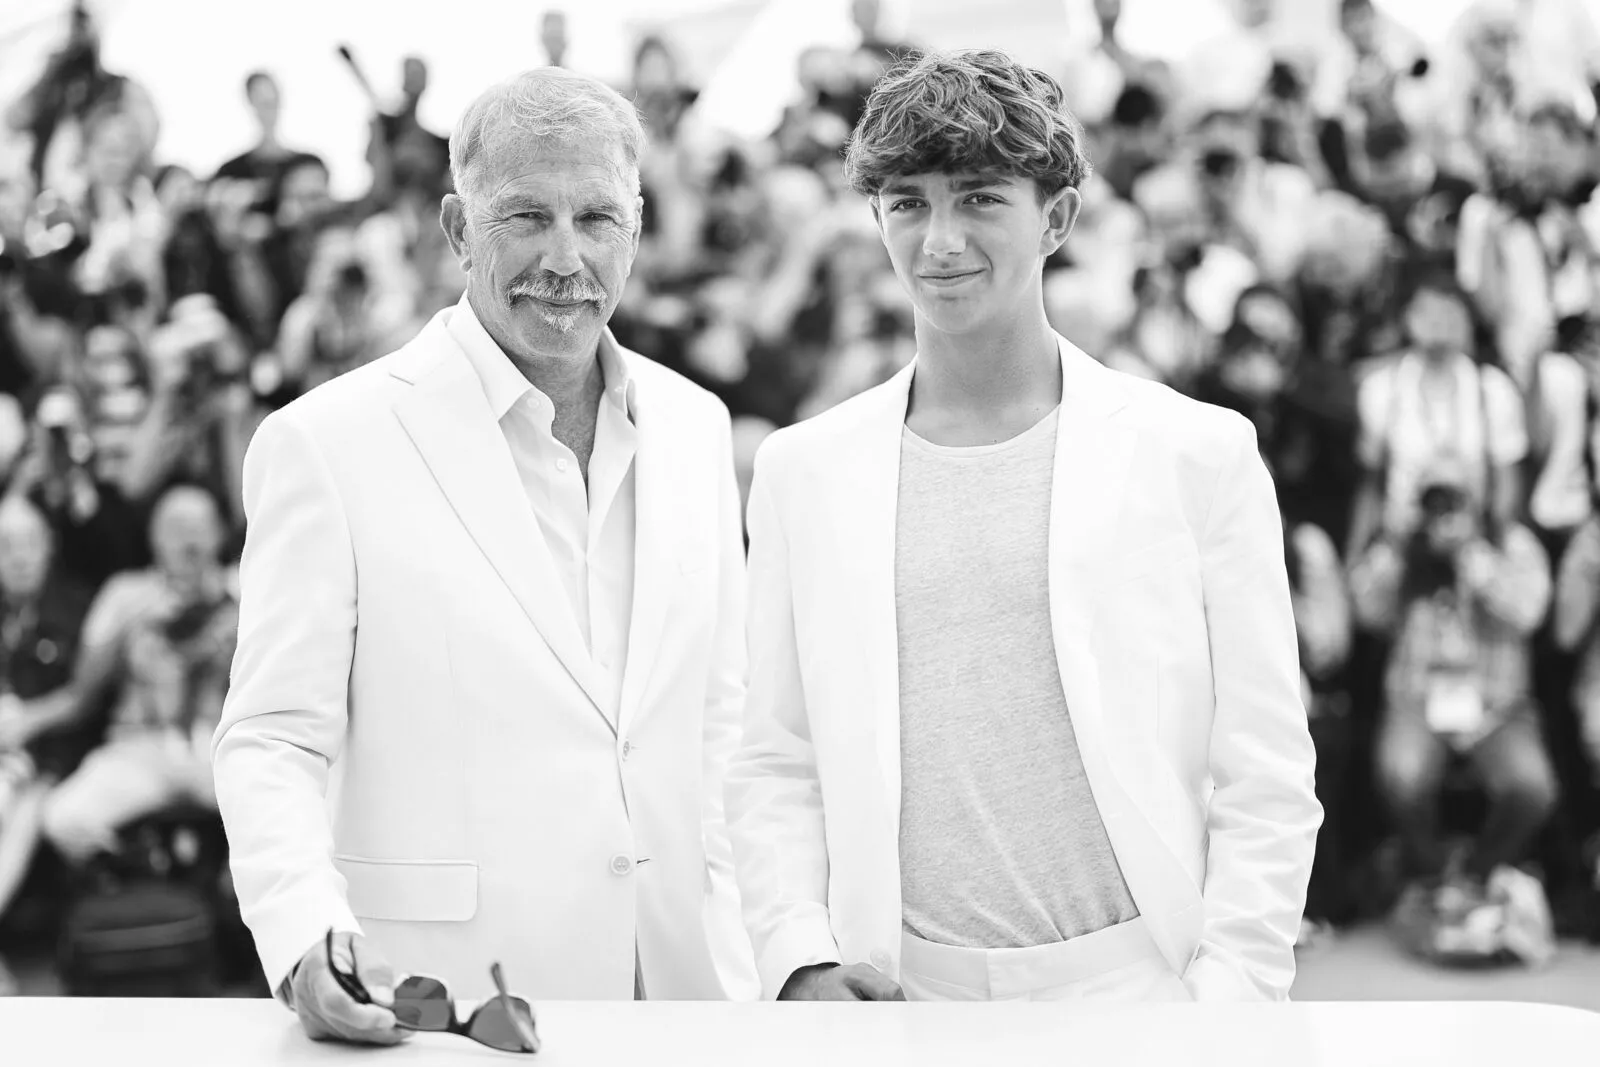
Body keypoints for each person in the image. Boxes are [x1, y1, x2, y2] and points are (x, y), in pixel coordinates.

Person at [724, 49, 1321, 1004]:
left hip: (1143, 990)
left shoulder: (1198, 453)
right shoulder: (805, 470)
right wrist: (800, 961)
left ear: (1058, 217)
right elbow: (775, 756)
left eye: (979, 198)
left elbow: (1266, 767)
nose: (941, 239)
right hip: (893, 995)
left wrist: (1232, 994)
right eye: (908, 202)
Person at [212, 67, 759, 1046]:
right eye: (526, 216)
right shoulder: (325, 442)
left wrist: (768, 945)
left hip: (690, 998)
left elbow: (722, 722)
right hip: (446, 1009)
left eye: (597, 217)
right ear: (459, 229)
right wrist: (303, 936)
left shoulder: (697, 423)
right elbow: (272, 738)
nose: (565, 257)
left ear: (637, 228)